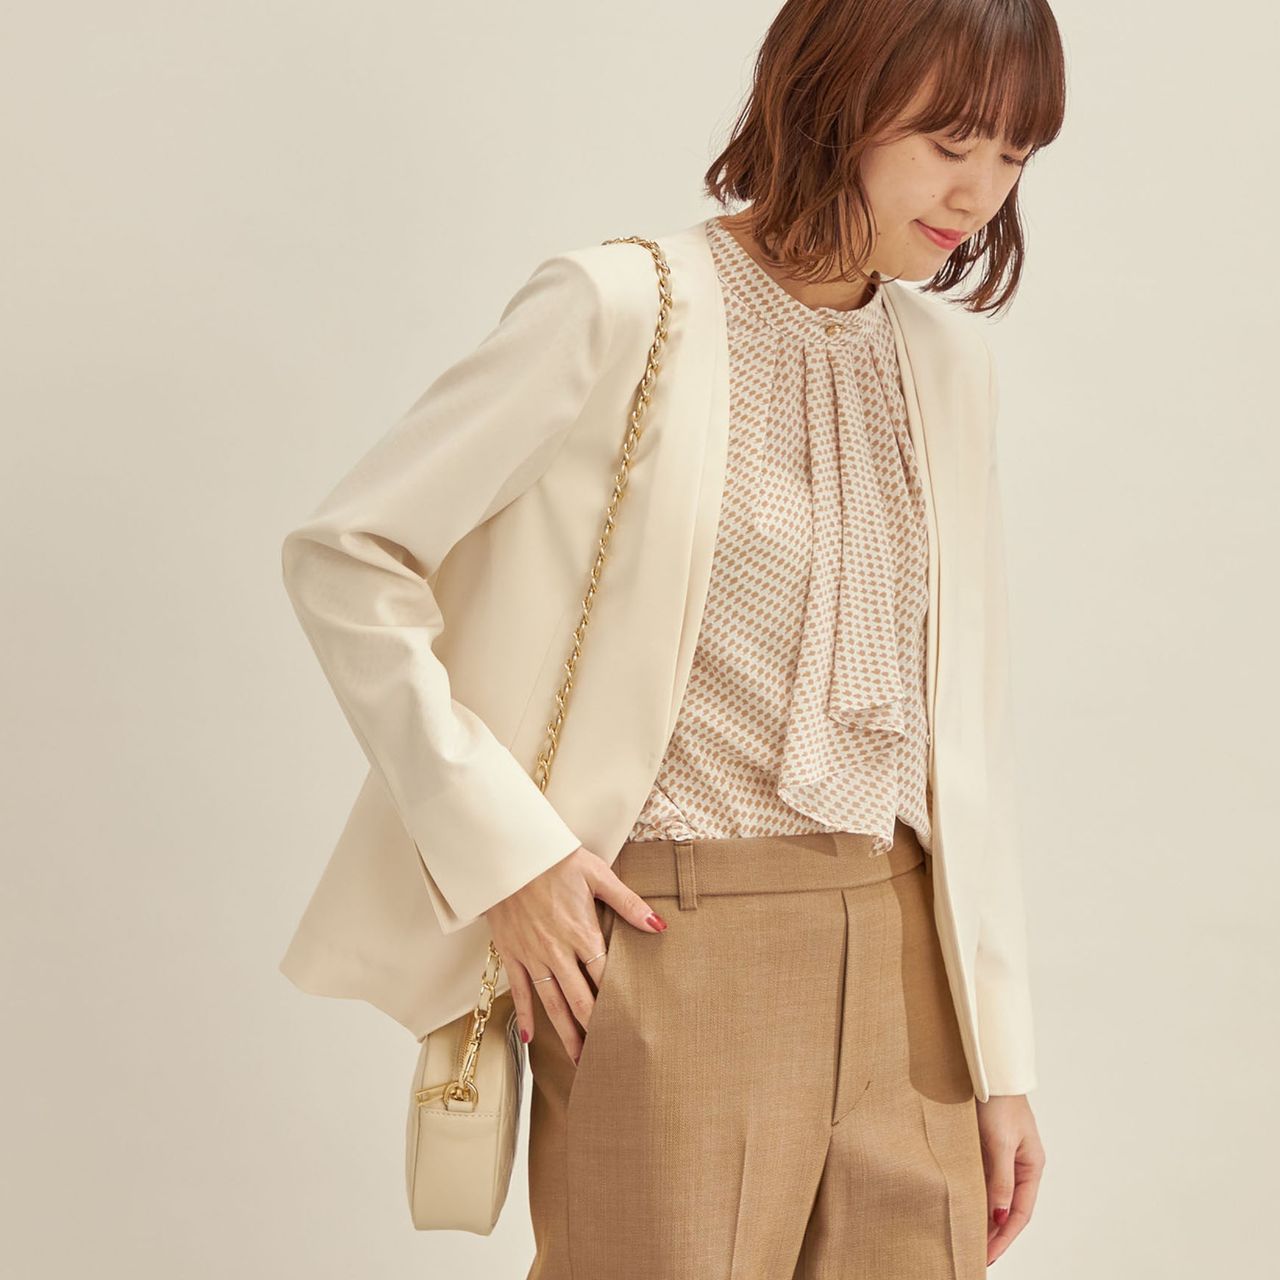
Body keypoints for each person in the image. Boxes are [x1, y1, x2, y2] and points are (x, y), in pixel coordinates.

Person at [277, 1, 1066, 1275]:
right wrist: (506, 851)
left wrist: (999, 1054)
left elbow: (966, 726)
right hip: (674, 948)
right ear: (833, 100)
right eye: (948, 142)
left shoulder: (944, 361)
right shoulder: (620, 307)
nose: (980, 192)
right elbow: (349, 555)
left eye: (1015, 153)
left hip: (911, 971)